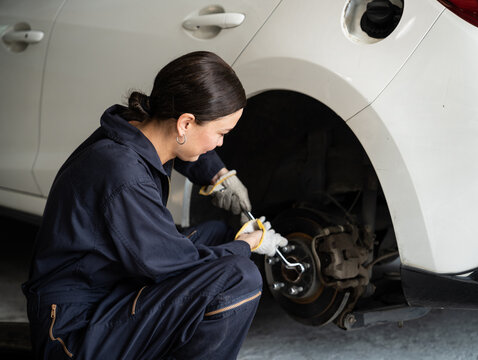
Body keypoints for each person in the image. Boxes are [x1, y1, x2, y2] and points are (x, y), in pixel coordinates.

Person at [22, 51, 287, 359]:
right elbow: (172, 263)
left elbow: (175, 145)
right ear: (186, 123)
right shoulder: (123, 174)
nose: (221, 143)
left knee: (217, 235)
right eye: (221, 133)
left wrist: (218, 175)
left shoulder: (136, 126)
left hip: (111, 284)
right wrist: (249, 244)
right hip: (74, 328)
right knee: (238, 277)